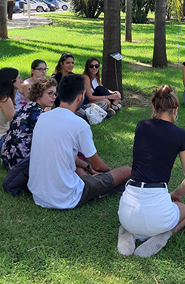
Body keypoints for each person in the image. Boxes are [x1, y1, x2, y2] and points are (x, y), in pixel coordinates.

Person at [28, 74, 131, 209]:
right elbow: (98, 166)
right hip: (66, 197)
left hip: (38, 194)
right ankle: (107, 187)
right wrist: (109, 172)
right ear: (79, 97)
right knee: (127, 171)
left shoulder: (43, 117)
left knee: (82, 171)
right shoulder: (79, 124)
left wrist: (88, 167)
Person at [118, 85, 185, 257]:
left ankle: (129, 230)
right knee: (184, 212)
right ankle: (163, 235)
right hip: (158, 210)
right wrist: (175, 193)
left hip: (128, 207)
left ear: (154, 108)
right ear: (175, 110)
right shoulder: (179, 134)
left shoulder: (141, 126)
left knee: (132, 218)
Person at [1, 77, 57, 170]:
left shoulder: (24, 108)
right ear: (38, 94)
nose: (54, 96)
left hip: (7, 157)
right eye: (50, 93)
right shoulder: (39, 115)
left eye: (55, 93)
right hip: (21, 163)